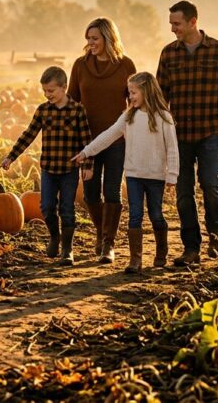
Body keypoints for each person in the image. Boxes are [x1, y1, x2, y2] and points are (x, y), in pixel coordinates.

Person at [156, 0, 218, 266]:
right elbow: (160, 97)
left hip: (209, 132)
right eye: (171, 23)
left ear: (193, 22)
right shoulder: (168, 54)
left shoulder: (217, 50)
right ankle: (191, 247)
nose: (173, 29)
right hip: (178, 135)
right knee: (183, 192)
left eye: (177, 23)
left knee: (211, 185)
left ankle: (215, 236)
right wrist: (157, 131)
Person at [72, 72, 179, 273]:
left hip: (156, 176)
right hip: (133, 176)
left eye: (133, 92)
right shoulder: (129, 116)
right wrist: (87, 152)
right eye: (129, 93)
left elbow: (172, 148)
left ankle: (161, 251)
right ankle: (135, 260)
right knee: (135, 215)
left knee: (156, 214)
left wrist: (172, 175)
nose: (130, 97)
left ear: (147, 91)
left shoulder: (164, 117)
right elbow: (108, 135)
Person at [1, 66, 93, 266]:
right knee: (46, 207)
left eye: (51, 90)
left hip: (69, 169)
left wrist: (87, 165)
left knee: (67, 209)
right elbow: (29, 134)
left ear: (64, 87)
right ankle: (55, 236)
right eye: (44, 91)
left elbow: (86, 141)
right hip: (49, 169)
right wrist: (11, 156)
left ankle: (67, 251)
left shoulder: (77, 110)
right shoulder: (43, 110)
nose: (47, 94)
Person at [68, 18, 136, 263]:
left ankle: (108, 244)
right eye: (88, 39)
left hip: (117, 138)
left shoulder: (126, 65)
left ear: (108, 38)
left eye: (95, 38)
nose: (90, 43)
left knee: (113, 191)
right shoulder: (80, 65)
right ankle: (101, 232)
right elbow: (72, 100)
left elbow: (134, 102)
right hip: (87, 140)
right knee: (90, 193)